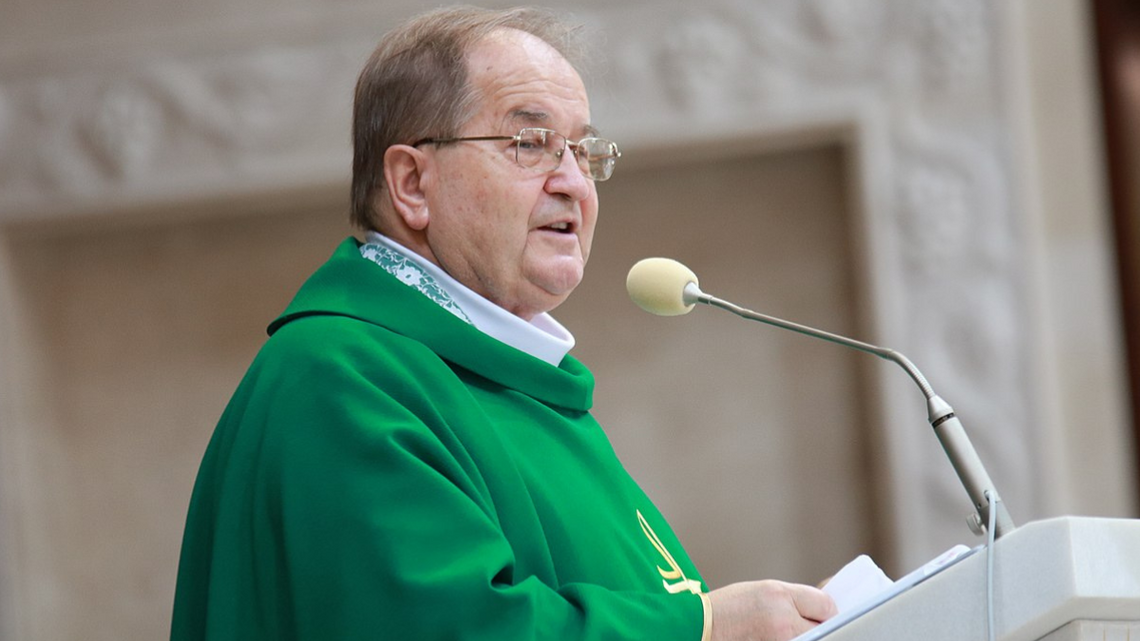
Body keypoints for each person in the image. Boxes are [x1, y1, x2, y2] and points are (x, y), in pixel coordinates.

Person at [170, 6, 836, 641]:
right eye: (532, 143)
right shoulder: (341, 380)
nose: (575, 183)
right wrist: (708, 627)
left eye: (584, 151)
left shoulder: (523, 392)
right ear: (412, 184)